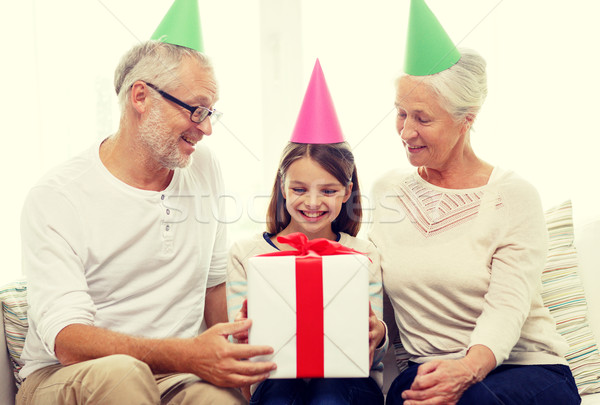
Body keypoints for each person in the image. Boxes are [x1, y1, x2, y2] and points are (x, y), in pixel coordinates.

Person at [16, 3, 275, 404]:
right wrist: (188, 354)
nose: (206, 128)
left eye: (211, 113)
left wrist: (234, 368)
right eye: (196, 109)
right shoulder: (57, 196)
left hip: (177, 375)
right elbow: (67, 341)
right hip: (68, 375)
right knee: (123, 375)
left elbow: (213, 286)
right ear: (141, 97)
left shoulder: (204, 167)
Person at [368, 1, 580, 404]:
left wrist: (466, 369)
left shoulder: (514, 196)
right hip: (426, 368)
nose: (405, 131)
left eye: (422, 118)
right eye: (400, 114)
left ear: (467, 118)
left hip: (523, 368)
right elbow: (369, 281)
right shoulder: (387, 191)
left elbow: (507, 306)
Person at [226, 60, 387, 405]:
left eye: (328, 191)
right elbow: (236, 348)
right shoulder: (247, 253)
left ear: (347, 192)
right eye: (299, 188)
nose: (313, 202)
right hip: (275, 380)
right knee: (280, 396)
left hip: (351, 383)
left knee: (329, 395)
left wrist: (379, 332)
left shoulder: (364, 253)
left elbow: (376, 340)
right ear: (282, 187)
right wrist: (240, 333)